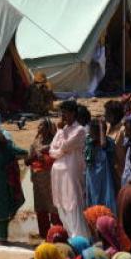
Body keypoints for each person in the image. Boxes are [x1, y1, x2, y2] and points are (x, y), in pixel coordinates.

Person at [50, 100, 90, 238]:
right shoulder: (63, 130)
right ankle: (70, 235)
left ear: (73, 113)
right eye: (62, 113)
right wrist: (61, 149)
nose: (63, 116)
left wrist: (60, 149)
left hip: (72, 172)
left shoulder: (80, 130)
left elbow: (65, 146)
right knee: (62, 206)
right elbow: (52, 151)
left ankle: (80, 238)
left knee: (74, 205)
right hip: (59, 173)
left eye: (65, 112)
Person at [26, 117, 61, 239]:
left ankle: (57, 234)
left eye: (42, 126)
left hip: (51, 178)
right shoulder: (36, 142)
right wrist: (35, 157)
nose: (39, 128)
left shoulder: (55, 142)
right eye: (39, 126)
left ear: (48, 128)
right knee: (40, 207)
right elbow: (28, 160)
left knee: (53, 207)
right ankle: (44, 235)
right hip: (38, 179)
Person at [85, 118, 118, 213]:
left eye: (93, 131)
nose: (90, 133)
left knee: (106, 206)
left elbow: (103, 144)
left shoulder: (109, 143)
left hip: (105, 182)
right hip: (92, 181)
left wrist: (102, 128)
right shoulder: (89, 143)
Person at [103, 100, 127, 189]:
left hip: (118, 172)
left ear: (113, 115)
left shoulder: (122, 131)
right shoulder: (108, 127)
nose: (104, 115)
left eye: (107, 113)